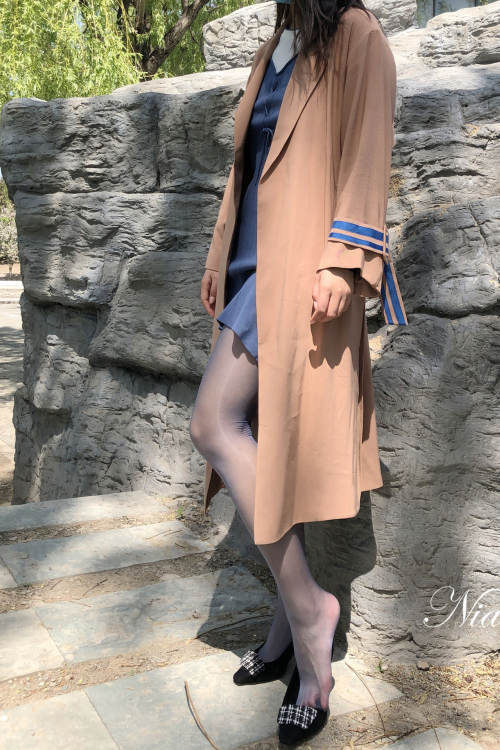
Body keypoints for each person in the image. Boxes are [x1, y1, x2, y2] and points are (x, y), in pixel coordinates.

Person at [190, 0, 407, 743]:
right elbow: (247, 168)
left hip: (305, 274)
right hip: (252, 272)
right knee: (263, 443)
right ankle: (291, 623)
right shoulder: (273, 47)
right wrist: (218, 255)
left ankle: (311, 616)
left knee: (214, 425)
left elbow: (369, 151)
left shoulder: (357, 36)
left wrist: (344, 261)